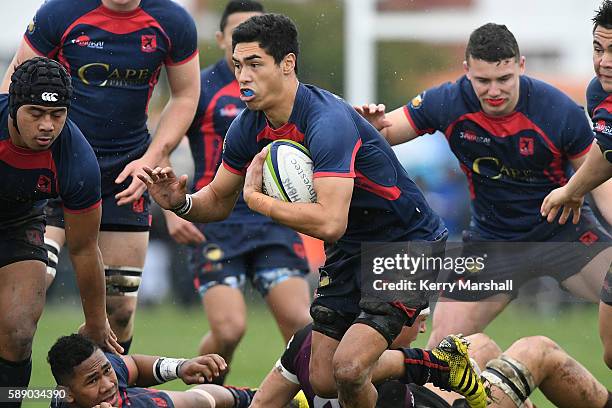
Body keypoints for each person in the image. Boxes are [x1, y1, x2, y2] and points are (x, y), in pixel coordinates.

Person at [139, 13, 487, 408]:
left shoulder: (327, 121)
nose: (243, 76)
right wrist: (179, 202)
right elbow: (217, 200)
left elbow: (330, 222)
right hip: (352, 247)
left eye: (255, 64)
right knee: (323, 378)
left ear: (287, 64)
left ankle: (436, 371)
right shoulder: (248, 127)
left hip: (405, 244)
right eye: (237, 65)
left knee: (351, 369)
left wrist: (259, 202)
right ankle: (440, 366)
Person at [356, 22, 612, 349]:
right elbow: (387, 131)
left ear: (520, 66)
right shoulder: (448, 101)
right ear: (467, 72)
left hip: (564, 233)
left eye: (504, 79)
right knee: (443, 349)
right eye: (483, 81)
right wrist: (370, 127)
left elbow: (602, 183)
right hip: (493, 242)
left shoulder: (558, 111)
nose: (494, 91)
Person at [0, 0, 200, 354]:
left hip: (125, 174)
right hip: (58, 169)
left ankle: (97, 396)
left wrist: (150, 160)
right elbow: (17, 83)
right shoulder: (59, 12)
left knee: (118, 312)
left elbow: (185, 95)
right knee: (29, 294)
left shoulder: (173, 21)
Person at [164, 0, 311, 379]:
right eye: (237, 36)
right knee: (229, 329)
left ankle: (314, 398)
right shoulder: (200, 87)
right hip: (216, 220)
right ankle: (206, 397)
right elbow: (160, 148)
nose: (245, 46)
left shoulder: (288, 91)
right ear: (221, 40)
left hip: (272, 219)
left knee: (301, 322)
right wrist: (171, 211)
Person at [0, 57, 120, 398]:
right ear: (13, 107)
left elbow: (83, 249)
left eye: (57, 114)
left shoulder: (77, 161)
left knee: (19, 331)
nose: (47, 126)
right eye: (35, 113)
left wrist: (96, 321)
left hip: (18, 223)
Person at [253, 315, 612, 408]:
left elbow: (260, 401)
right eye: (414, 312)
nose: (423, 321)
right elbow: (356, 374)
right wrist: (426, 362)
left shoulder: (309, 338)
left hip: (421, 396)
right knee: (539, 349)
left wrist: (216, 395)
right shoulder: (362, 364)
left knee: (481, 344)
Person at [541, 0, 612, 370]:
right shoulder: (599, 94)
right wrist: (575, 189)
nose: (605, 61)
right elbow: (607, 150)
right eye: (599, 49)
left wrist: (571, 190)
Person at [47, 333, 261, 408]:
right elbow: (13, 393)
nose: (108, 384)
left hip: (134, 402)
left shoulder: (103, 365)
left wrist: (180, 367)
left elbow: (136, 366)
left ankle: (258, 397)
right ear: (68, 394)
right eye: (92, 381)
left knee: (200, 401)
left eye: (107, 371)